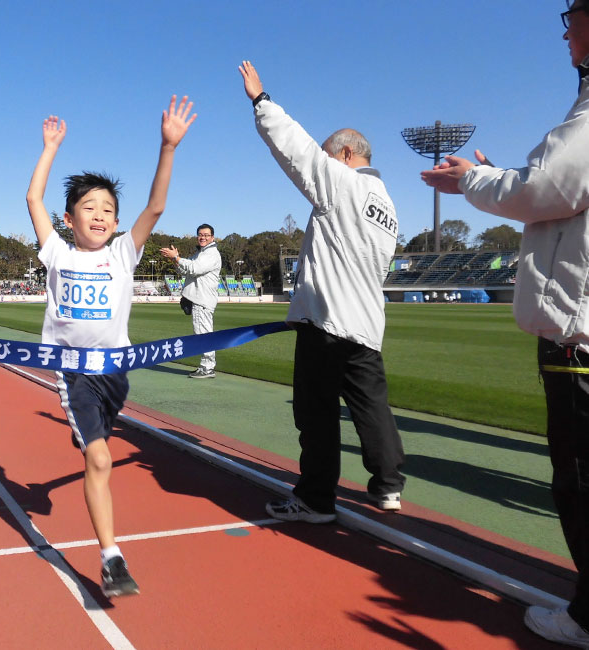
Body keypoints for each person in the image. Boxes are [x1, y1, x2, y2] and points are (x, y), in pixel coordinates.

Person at [420, 4, 589, 644]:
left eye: (572, 14)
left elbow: (545, 189)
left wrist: (475, 179)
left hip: (578, 335)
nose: (566, 30)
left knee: (579, 482)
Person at [26, 96, 196, 597]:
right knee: (99, 460)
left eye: (108, 210)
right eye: (89, 208)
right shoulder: (57, 253)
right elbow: (33, 199)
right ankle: (111, 557)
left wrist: (168, 147)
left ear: (117, 221)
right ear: (69, 218)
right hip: (73, 373)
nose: (99, 215)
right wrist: (50, 149)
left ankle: (88, 437)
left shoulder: (124, 253)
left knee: (97, 446)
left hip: (115, 375)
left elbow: (156, 207)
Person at [237, 60, 406, 524]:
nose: (329, 163)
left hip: (327, 320)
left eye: (334, 157)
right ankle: (389, 485)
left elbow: (298, 150)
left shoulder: (343, 183)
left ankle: (315, 499)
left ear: (347, 154)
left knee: (316, 413)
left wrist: (261, 101)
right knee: (372, 408)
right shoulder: (388, 205)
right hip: (366, 323)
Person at [160, 224, 222, 378]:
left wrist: (176, 258)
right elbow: (185, 270)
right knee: (202, 334)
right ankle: (207, 366)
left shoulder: (211, 253)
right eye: (200, 234)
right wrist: (175, 259)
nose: (203, 237)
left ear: (212, 237)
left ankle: (207, 368)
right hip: (200, 299)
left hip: (202, 300)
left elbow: (195, 269)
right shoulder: (200, 253)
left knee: (203, 334)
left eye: (206, 235)